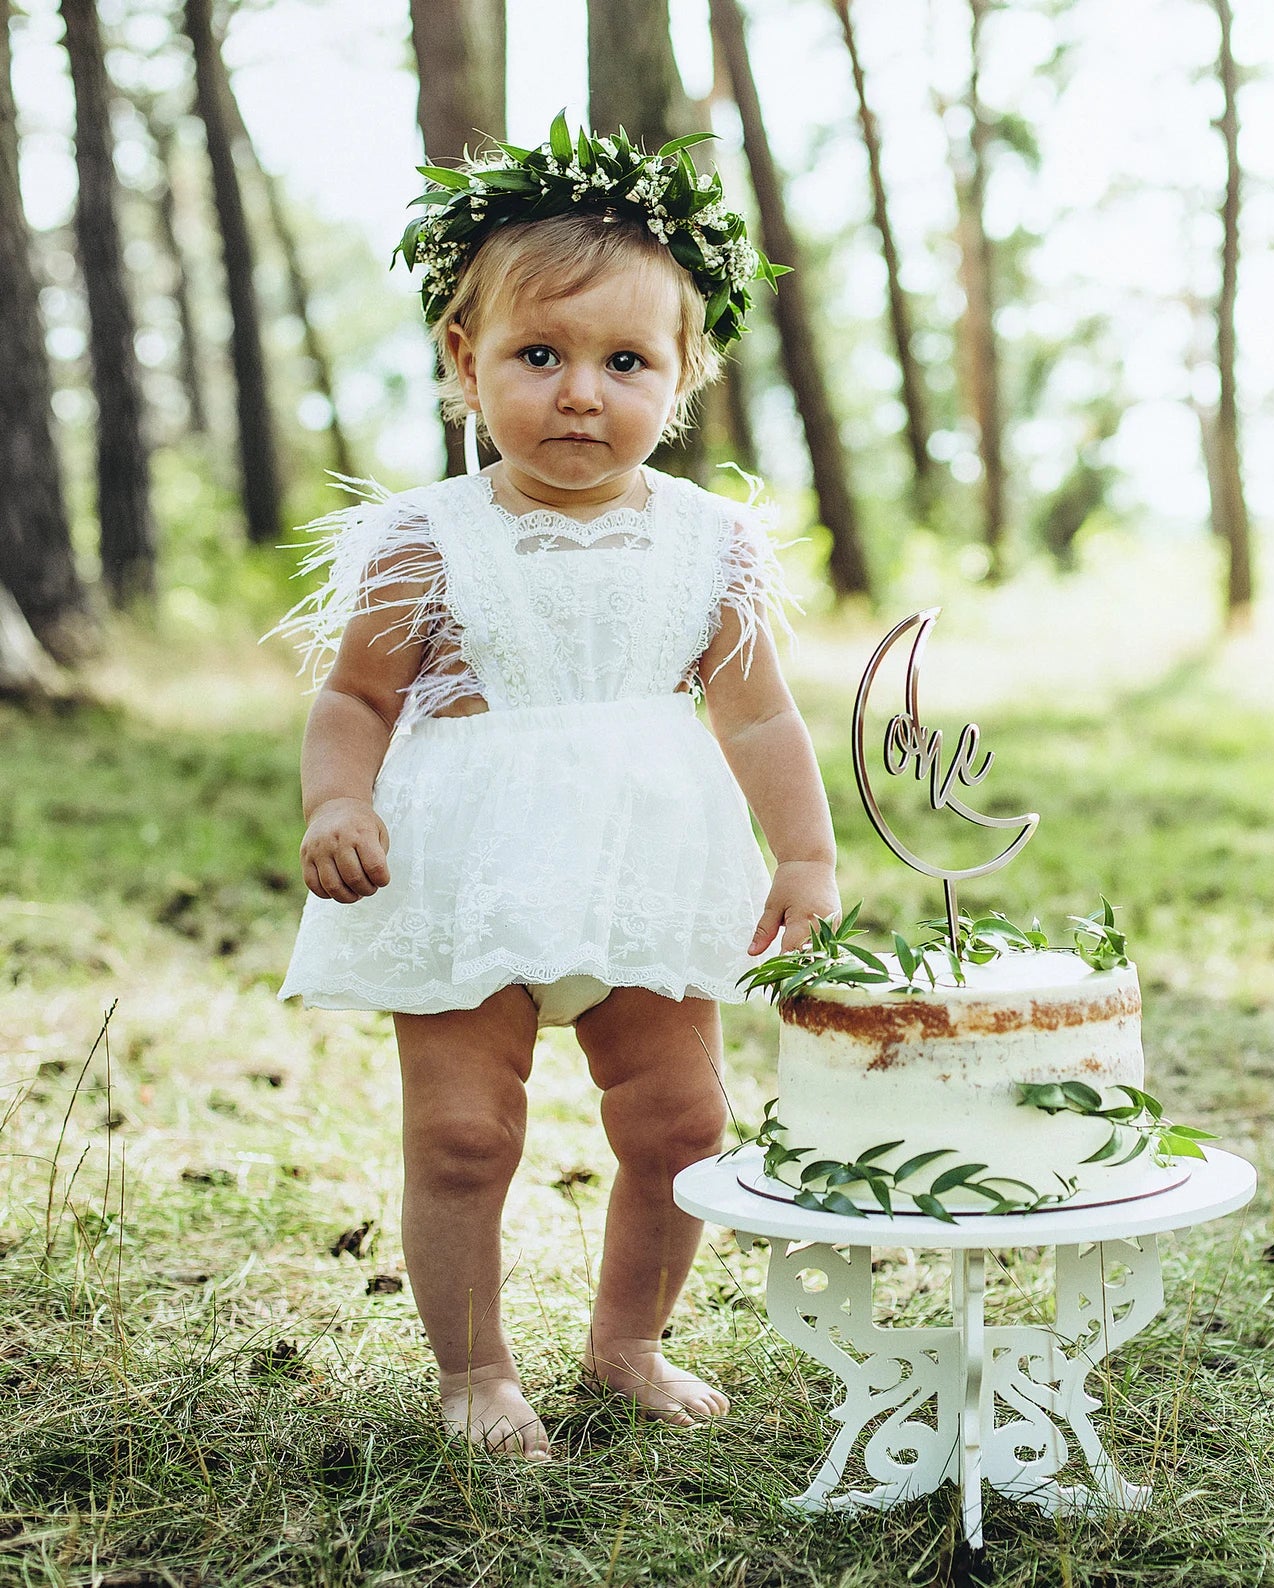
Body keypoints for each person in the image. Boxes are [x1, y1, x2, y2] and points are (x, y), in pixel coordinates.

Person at [273, 120, 840, 1461]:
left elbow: (757, 712)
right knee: (466, 1134)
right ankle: (475, 1372)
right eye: (540, 355)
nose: (580, 392)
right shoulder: (429, 541)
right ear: (466, 364)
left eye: (625, 362)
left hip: (650, 860)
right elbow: (353, 699)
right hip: (468, 867)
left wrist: (806, 858)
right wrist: (337, 802)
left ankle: (629, 1338)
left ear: (684, 378)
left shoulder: (712, 545)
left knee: (682, 1121)